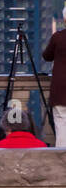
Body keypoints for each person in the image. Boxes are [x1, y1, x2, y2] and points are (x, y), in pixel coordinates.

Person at [41, 12, 66, 149]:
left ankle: (62, 160)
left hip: (60, 89)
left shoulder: (58, 37)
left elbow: (47, 56)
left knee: (61, 124)